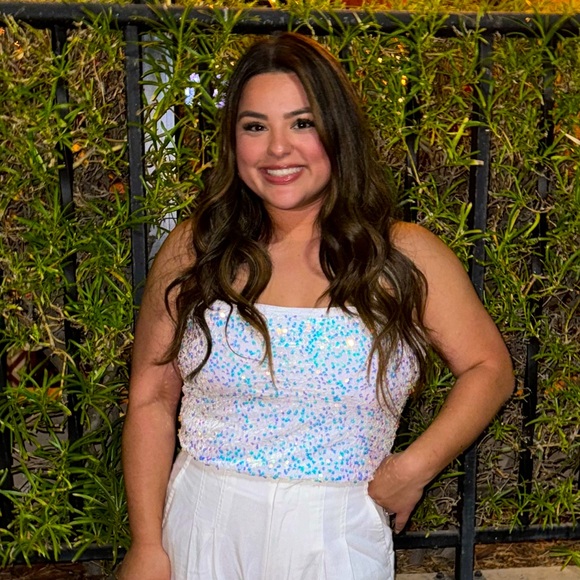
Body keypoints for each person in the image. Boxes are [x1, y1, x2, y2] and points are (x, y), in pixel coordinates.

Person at [118, 32, 514, 580]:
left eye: (302, 123)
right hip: (200, 522)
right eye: (255, 126)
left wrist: (415, 467)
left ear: (337, 132)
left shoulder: (403, 256)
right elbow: (151, 397)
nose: (278, 149)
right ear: (233, 142)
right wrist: (146, 544)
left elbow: (489, 368)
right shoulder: (196, 247)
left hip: (335, 535)